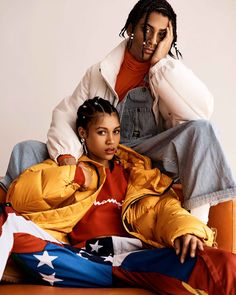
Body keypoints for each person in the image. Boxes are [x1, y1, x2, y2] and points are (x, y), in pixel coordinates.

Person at [1, 0, 236, 224]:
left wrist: (159, 65)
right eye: (147, 30)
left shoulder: (169, 74)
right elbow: (67, 114)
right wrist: (67, 158)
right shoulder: (100, 71)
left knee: (204, 129)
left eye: (161, 34)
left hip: (148, 156)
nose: (152, 40)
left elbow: (202, 111)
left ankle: (198, 226)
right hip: (102, 151)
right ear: (132, 27)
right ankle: (10, 216)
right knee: (27, 149)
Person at [1, 97, 236, 294]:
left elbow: (163, 208)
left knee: (225, 264)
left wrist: (186, 229)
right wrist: (77, 176)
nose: (111, 140)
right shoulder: (65, 170)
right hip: (80, 259)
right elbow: (20, 198)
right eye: (102, 132)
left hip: (136, 258)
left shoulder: (137, 173)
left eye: (116, 131)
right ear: (83, 133)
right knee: (5, 220)